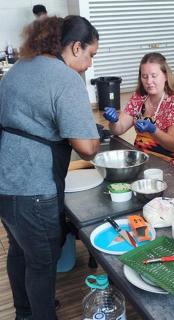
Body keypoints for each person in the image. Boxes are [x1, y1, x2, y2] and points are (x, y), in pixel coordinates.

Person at [0, 15, 100, 320]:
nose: (88, 65)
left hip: (6, 180)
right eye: (90, 55)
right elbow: (87, 146)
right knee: (42, 263)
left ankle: (25, 312)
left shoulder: (20, 67)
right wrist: (93, 138)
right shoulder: (64, 77)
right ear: (75, 46)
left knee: (20, 252)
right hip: (33, 188)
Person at [103, 52, 174, 172]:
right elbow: (118, 129)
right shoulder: (139, 98)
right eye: (144, 76)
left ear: (165, 76)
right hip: (145, 161)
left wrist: (153, 130)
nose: (149, 81)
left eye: (154, 76)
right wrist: (114, 121)